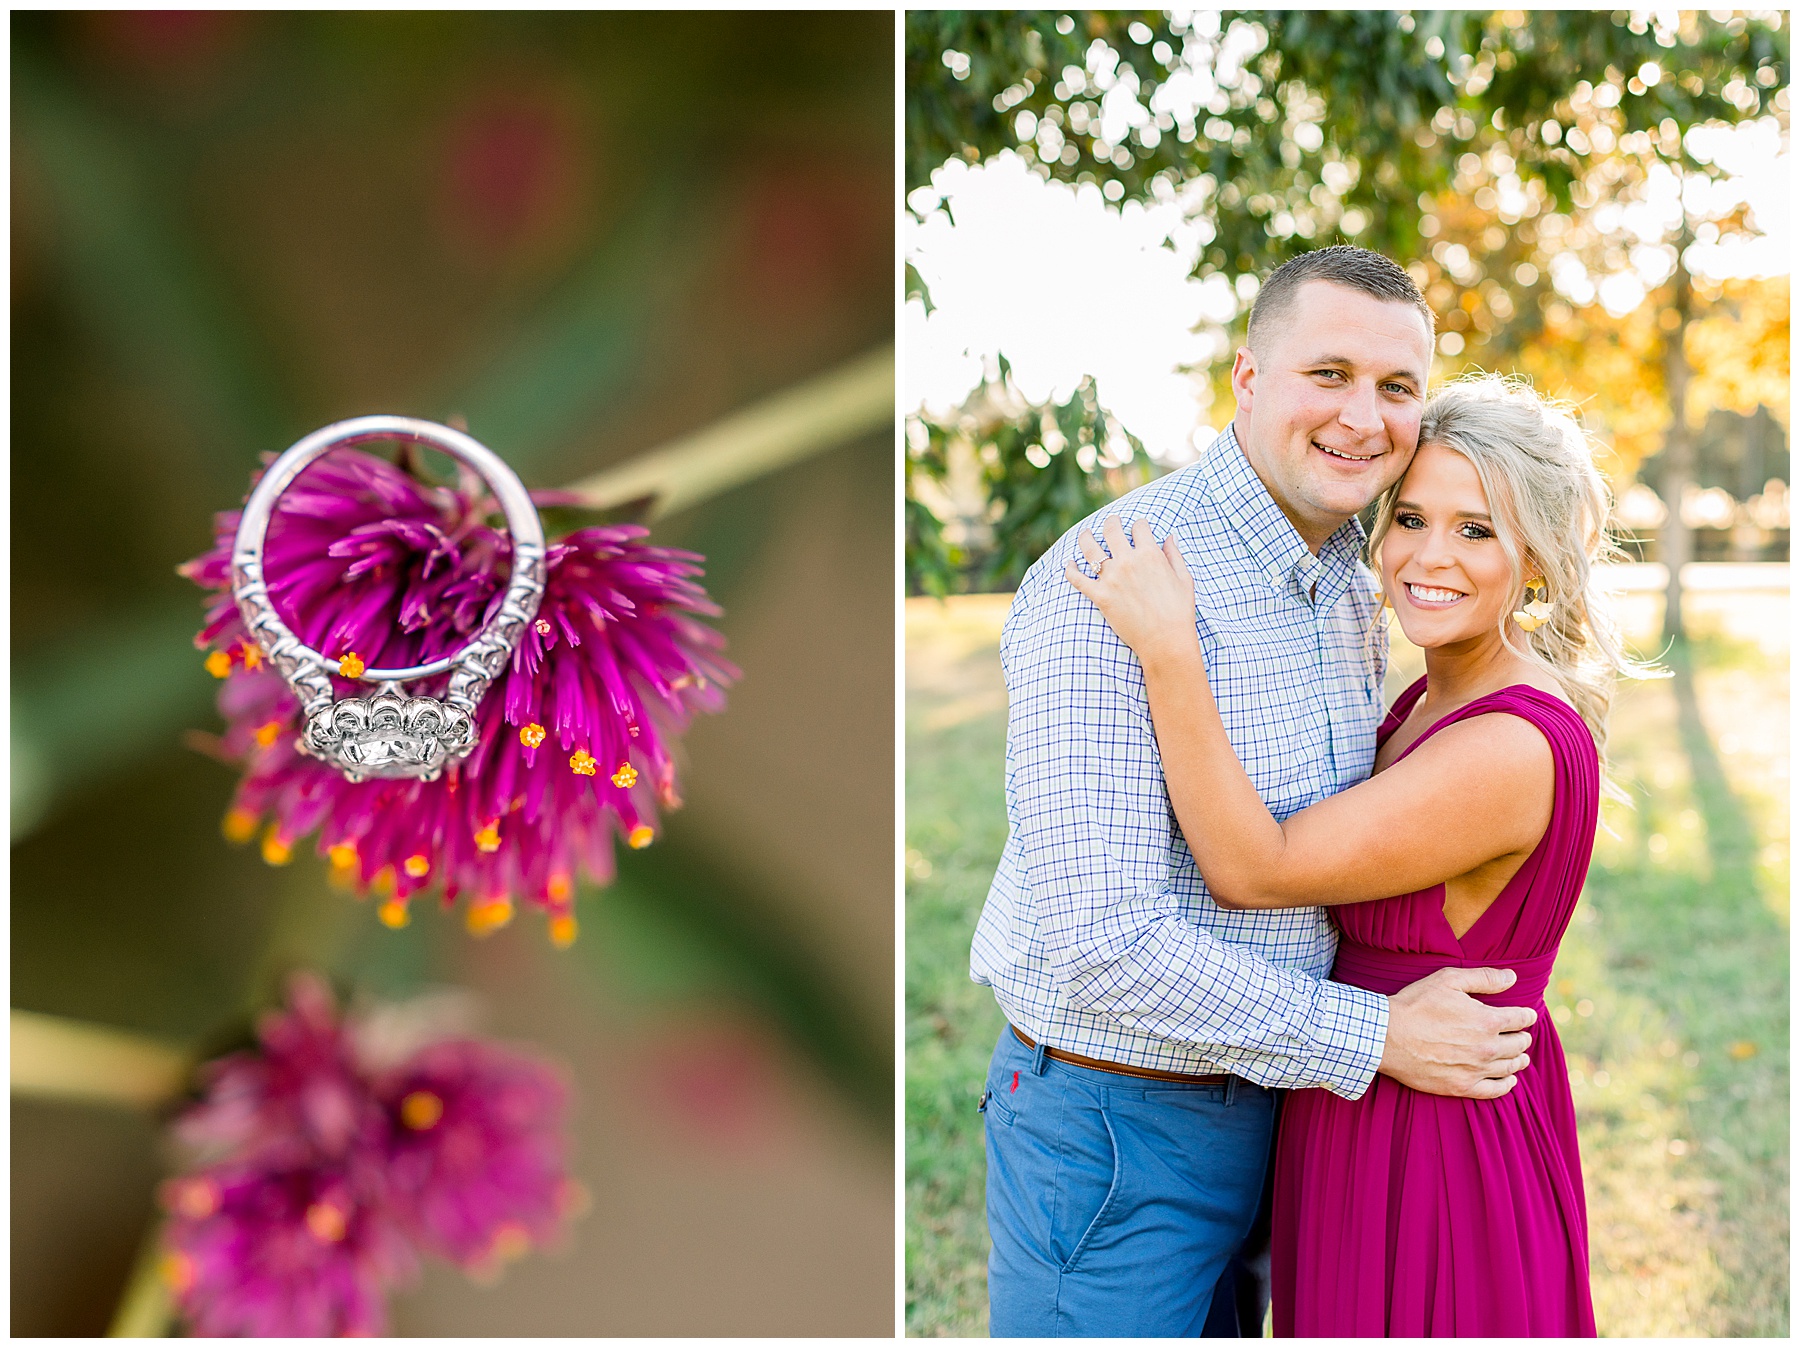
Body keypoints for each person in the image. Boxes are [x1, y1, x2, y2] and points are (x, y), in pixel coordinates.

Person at [970, 246, 1537, 1337]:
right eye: (1328, 373)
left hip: (1289, 1115)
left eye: (1396, 387)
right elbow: (1102, 939)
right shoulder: (1113, 579)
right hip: (1114, 1123)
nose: (1362, 417)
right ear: (1247, 377)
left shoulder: (1351, 578)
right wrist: (1370, 1037)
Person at [1068, 372, 1634, 1334]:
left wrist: (1169, 650)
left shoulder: (1506, 745)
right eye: (1410, 517)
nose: (1427, 556)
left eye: (1476, 529)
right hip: (1367, 1101)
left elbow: (1257, 868)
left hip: (1439, 1138)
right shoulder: (1427, 702)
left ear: (1536, 556)